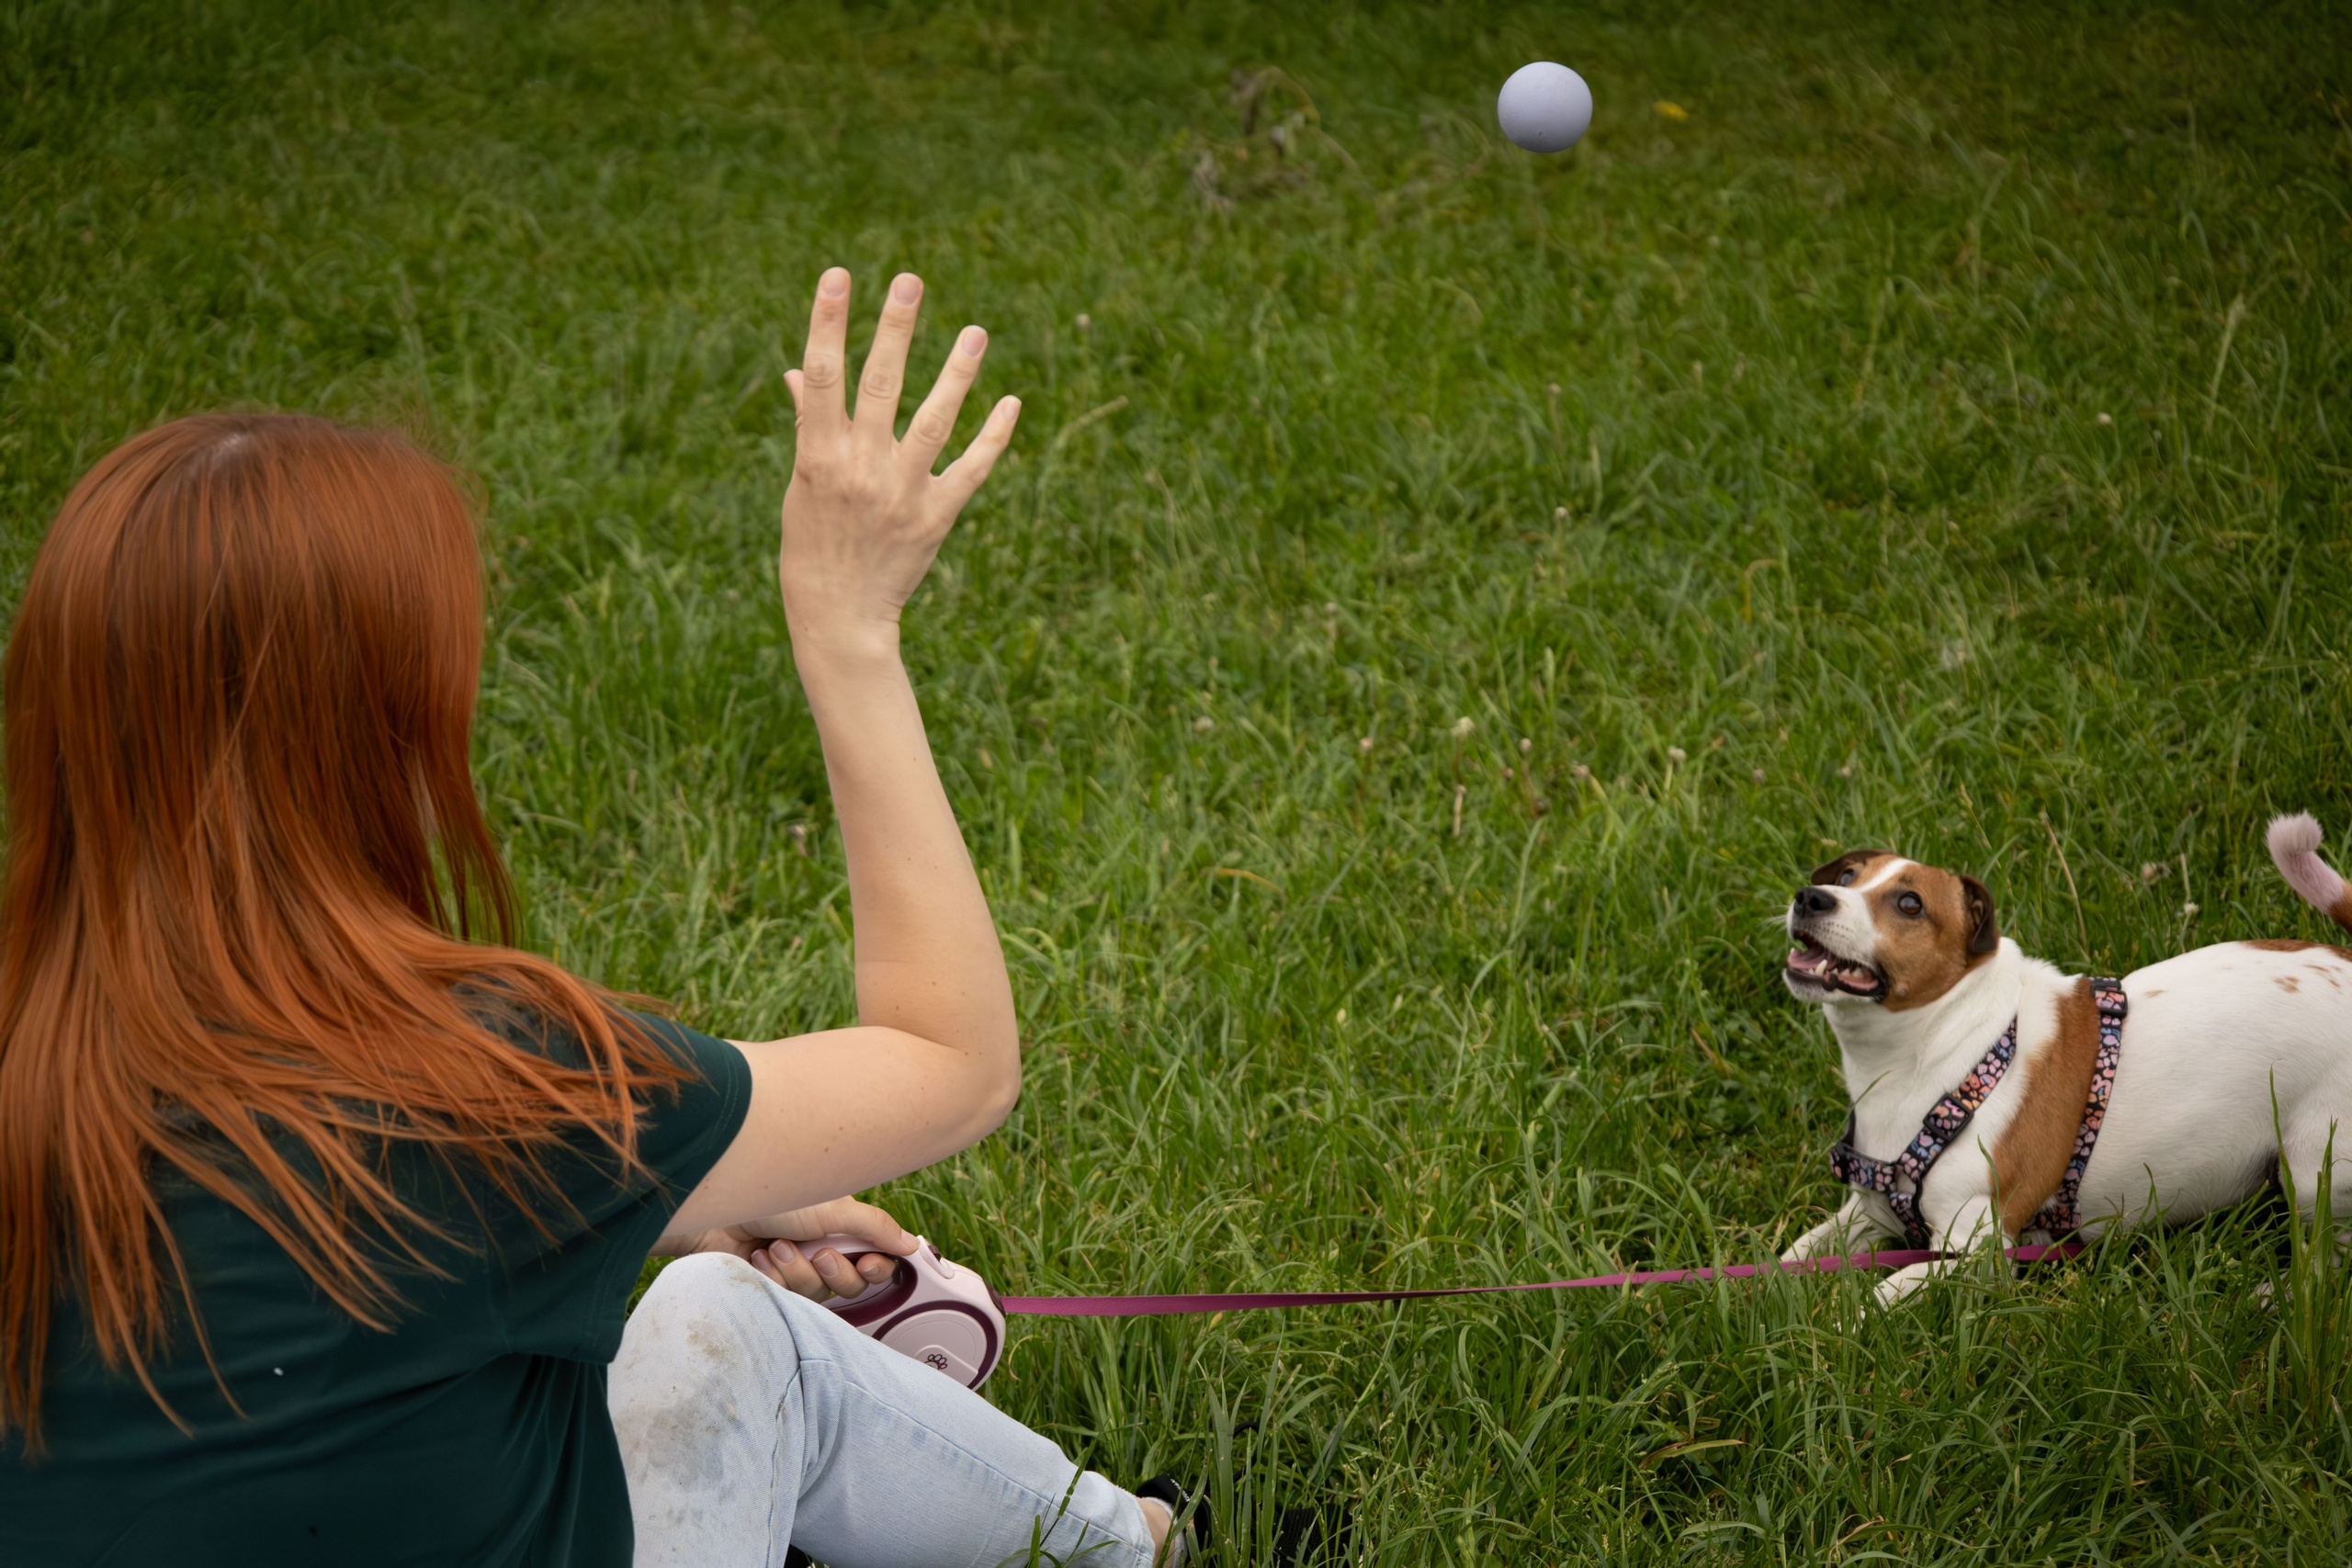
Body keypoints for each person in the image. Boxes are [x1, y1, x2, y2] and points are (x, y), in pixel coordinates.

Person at [0, 269, 1197, 1567]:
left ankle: (1126, 1538)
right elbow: (952, 1063)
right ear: (367, 748)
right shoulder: (481, 1090)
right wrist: (847, 632)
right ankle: (1140, 1549)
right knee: (733, 1335)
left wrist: (654, 1198)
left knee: (711, 1308)